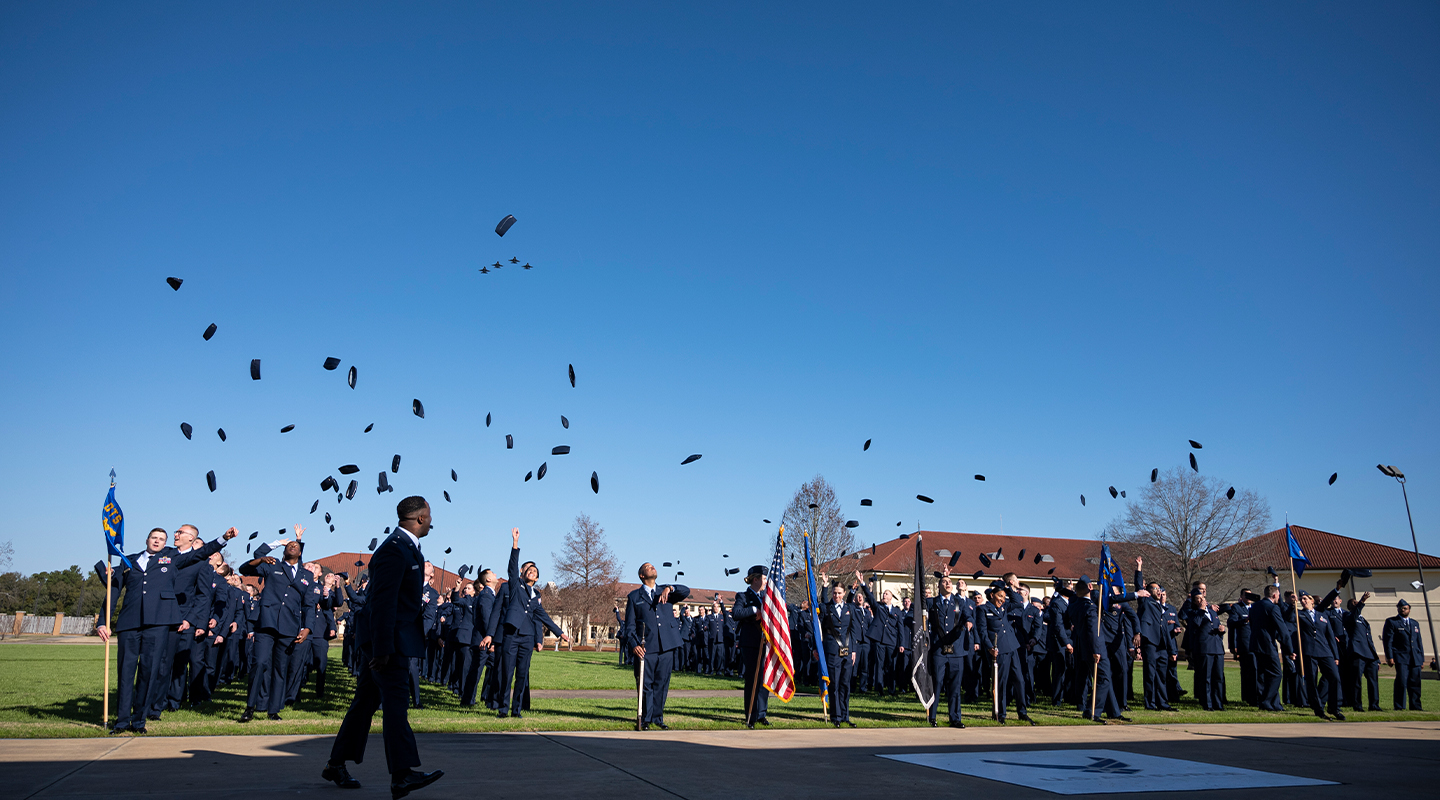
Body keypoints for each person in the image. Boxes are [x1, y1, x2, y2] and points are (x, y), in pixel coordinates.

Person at [325, 496, 444, 798]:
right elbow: (383, 603)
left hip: (389, 639)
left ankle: (336, 763)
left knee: (366, 702)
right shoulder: (394, 550)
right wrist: (382, 648)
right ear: (419, 518)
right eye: (429, 515)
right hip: (389, 642)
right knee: (395, 702)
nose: (431, 520)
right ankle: (402, 774)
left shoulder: (406, 548)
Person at [94, 526, 235, 734]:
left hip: (157, 624)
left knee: (148, 672)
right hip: (129, 624)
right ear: (147, 539)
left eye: (162, 539)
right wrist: (102, 621)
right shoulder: (128, 561)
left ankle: (139, 721)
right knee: (125, 673)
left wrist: (223, 538)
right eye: (154, 537)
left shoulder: (171, 560)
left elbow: (200, 554)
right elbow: (112, 590)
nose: (158, 541)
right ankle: (121, 721)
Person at [238, 526, 312, 722]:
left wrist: (307, 628)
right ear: (283, 551)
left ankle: (273, 710)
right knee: (260, 663)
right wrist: (264, 555)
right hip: (266, 623)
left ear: (301, 552)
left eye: (296, 545)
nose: (292, 546)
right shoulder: (272, 566)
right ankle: (250, 707)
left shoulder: (307, 575)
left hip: (289, 626)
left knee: (280, 669)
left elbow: (310, 605)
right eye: (289, 545)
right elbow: (244, 568)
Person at [495, 528, 570, 718]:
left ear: (537, 578)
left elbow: (543, 617)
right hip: (511, 635)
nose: (532, 572)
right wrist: (515, 543)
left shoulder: (537, 596)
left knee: (522, 675)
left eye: (535, 572)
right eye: (529, 570)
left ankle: (516, 709)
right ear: (524, 574)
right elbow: (512, 567)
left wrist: (560, 633)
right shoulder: (515, 586)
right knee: (507, 672)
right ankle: (503, 708)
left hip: (527, 638)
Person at [625, 562, 690, 730]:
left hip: (666, 645)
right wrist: (634, 644)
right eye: (647, 566)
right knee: (645, 684)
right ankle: (645, 718)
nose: (652, 567)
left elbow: (686, 591)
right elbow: (629, 626)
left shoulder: (665, 591)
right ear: (642, 575)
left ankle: (658, 718)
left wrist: (670, 588)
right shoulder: (634, 596)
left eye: (653, 566)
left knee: (662, 683)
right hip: (646, 647)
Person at [919, 568, 970, 727]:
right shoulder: (931, 602)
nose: (948, 584)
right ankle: (932, 716)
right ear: (939, 585)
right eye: (944, 582)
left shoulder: (959, 601)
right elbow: (920, 614)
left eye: (949, 582)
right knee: (937, 683)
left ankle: (955, 718)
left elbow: (968, 614)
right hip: (938, 649)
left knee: (955, 686)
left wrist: (969, 622)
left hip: (956, 649)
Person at [976, 584, 1033, 725]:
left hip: (1012, 646)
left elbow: (1017, 602)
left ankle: (1022, 712)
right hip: (999, 649)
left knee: (1019, 680)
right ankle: (1000, 713)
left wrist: (1007, 588)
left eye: (1003, 596)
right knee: (1000, 682)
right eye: (999, 596)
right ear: (991, 595)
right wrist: (989, 647)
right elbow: (982, 631)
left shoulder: (1005, 606)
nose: (1002, 599)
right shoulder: (983, 609)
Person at [732, 566, 775, 727]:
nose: (766, 581)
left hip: (766, 643)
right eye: (764, 578)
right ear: (755, 579)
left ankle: (761, 714)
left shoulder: (767, 597)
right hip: (750, 643)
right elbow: (736, 614)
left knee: (765, 680)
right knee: (752, 679)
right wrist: (754, 609)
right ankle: (750, 714)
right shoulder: (743, 596)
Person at [814, 574, 857, 727]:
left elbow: (853, 631)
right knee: (835, 684)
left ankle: (845, 715)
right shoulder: (827, 608)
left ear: (844, 593)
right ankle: (836, 716)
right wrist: (824, 586)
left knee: (846, 684)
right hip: (832, 651)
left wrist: (854, 650)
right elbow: (819, 626)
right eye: (834, 593)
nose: (836, 595)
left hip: (847, 651)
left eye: (839, 593)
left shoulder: (849, 608)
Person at [1132, 559, 1175, 711]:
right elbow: (1138, 586)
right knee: (1150, 674)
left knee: (1161, 675)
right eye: (1156, 589)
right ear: (1149, 591)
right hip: (1150, 642)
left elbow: (1164, 628)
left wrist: (1172, 650)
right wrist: (1139, 568)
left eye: (1160, 589)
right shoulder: (1146, 601)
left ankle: (1162, 702)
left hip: (1162, 644)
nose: (1159, 591)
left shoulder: (1161, 606)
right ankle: (1150, 703)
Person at [1295, 587, 1344, 720]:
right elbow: (1287, 615)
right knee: (1312, 681)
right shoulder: (1299, 614)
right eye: (1301, 600)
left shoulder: (1322, 614)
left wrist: (1335, 656)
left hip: (1325, 651)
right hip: (1309, 652)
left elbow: (1330, 637)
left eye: (1305, 599)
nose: (1302, 601)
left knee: (1335, 678)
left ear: (1312, 600)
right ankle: (1318, 709)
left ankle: (1334, 708)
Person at [1243, 582, 1291, 711]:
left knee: (1265, 674)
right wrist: (1289, 649)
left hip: (1255, 644)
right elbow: (1283, 629)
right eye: (1278, 596)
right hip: (1267, 645)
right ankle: (1266, 701)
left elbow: (1252, 625)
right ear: (1275, 595)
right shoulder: (1273, 608)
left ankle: (1274, 703)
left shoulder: (1254, 607)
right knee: (1276, 674)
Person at [1382, 599, 1425, 711]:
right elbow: (1388, 641)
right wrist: (1389, 657)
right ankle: (1399, 706)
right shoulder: (1392, 622)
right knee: (1401, 681)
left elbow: (1419, 642)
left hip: (1415, 658)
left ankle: (1415, 706)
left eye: (1405, 608)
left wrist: (1421, 659)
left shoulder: (1415, 623)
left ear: (1409, 609)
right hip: (1401, 657)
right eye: (1400, 608)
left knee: (1415, 682)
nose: (1402, 610)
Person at [1342, 592, 1381, 712]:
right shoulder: (1348, 616)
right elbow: (1353, 617)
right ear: (1350, 606)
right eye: (1354, 602)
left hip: (1369, 654)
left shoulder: (1363, 620)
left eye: (1357, 602)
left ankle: (1374, 705)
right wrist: (1362, 602)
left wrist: (1376, 658)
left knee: (1373, 681)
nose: (1357, 603)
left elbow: (1369, 639)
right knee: (1356, 680)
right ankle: (1357, 705)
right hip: (1357, 653)